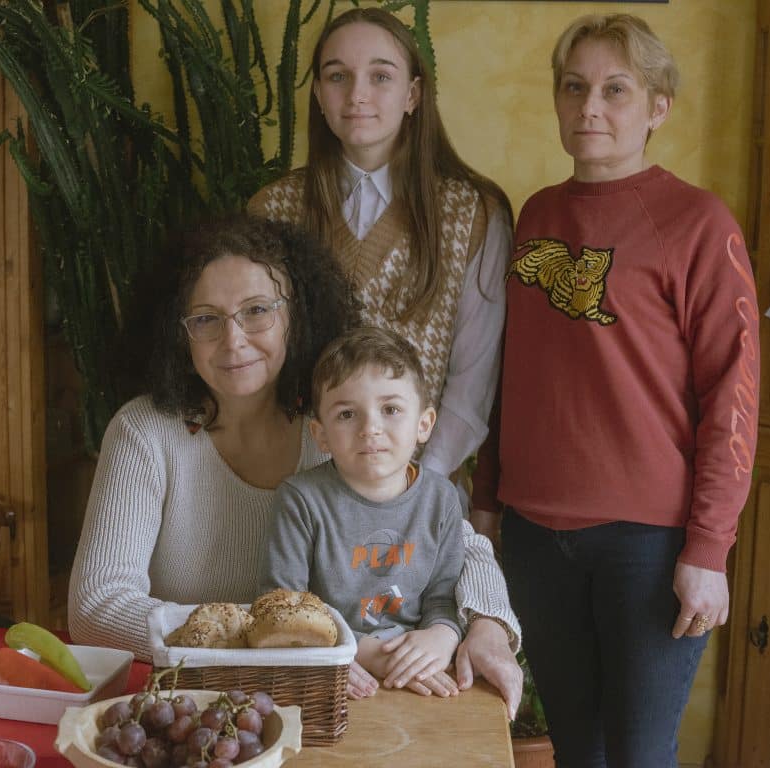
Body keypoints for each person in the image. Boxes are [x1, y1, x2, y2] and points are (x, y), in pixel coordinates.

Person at [68, 214, 521, 716]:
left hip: (334, 704)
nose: (233, 340)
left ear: (296, 316)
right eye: (206, 319)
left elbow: (458, 538)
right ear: (179, 333)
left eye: (256, 311)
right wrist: (284, 646)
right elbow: (96, 608)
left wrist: (487, 628)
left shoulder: (337, 423)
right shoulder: (144, 433)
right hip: (192, 707)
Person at [471, 14, 760, 768]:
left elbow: (734, 393)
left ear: (656, 108)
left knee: (637, 753)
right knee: (576, 750)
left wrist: (709, 547)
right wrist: (487, 496)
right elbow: (515, 369)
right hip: (536, 537)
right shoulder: (536, 213)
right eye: (575, 88)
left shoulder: (698, 223)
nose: (589, 108)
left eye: (615, 90)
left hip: (648, 544)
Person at [247, 7, 522, 711]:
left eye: (380, 75)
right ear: (316, 94)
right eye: (336, 77)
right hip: (309, 485)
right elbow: (258, 363)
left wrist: (401, 486)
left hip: (420, 484)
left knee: (427, 699)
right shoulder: (274, 208)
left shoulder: (472, 212)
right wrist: (332, 478)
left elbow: (473, 377)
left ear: (414, 93)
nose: (357, 95)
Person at [260, 327, 464, 698]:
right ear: (319, 435)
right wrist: (343, 651)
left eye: (390, 409)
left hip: (419, 669)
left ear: (424, 424)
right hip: (333, 674)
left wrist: (442, 636)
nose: (370, 428)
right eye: (347, 414)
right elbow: (282, 605)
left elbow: (443, 597)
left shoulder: (441, 499)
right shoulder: (300, 500)